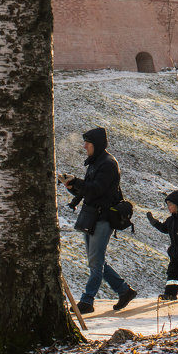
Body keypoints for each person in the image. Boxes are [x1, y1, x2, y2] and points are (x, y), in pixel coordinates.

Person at [60, 127, 136, 313]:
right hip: (92, 217)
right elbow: (87, 191)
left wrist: (76, 182)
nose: (84, 146)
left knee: (95, 261)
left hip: (103, 218)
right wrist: (70, 184)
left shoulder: (108, 164)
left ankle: (87, 301)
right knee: (96, 261)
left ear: (97, 144)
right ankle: (124, 291)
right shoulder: (95, 163)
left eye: (88, 142)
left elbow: (95, 189)